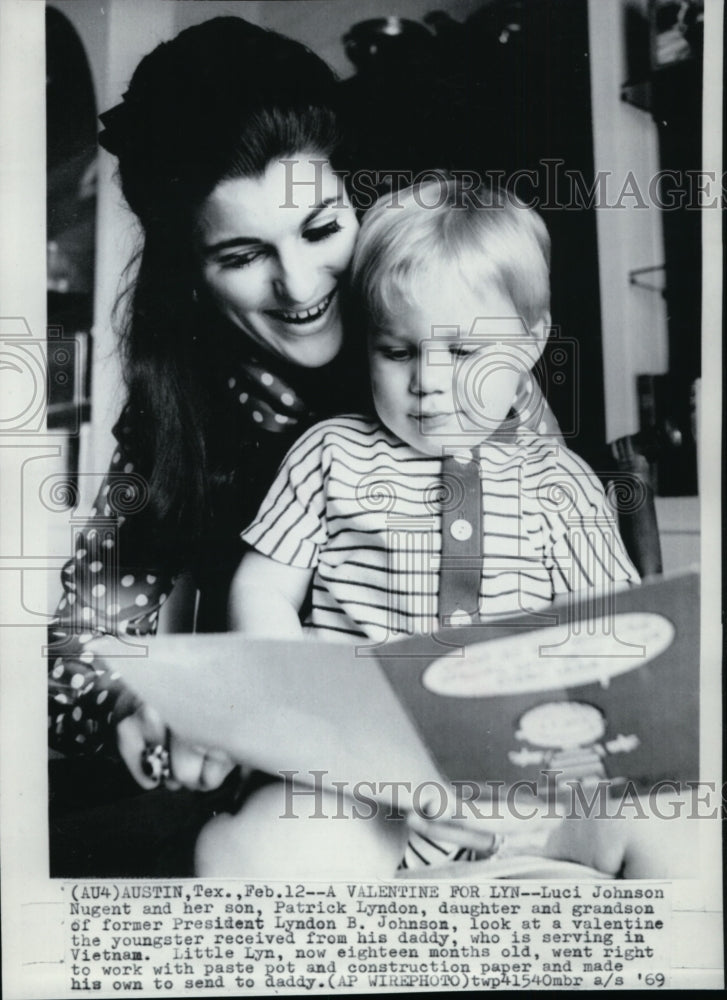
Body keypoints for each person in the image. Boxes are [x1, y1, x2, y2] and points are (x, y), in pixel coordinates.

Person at [46, 17, 561, 876]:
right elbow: (75, 665)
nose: (299, 286)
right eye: (245, 255)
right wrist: (149, 696)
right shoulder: (175, 415)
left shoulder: (461, 356)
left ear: (354, 199)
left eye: (321, 230)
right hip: (310, 806)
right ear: (191, 273)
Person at [215, 178, 639, 875]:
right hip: (360, 782)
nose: (429, 382)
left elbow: (617, 635)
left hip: (533, 789)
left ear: (530, 344)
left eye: (465, 354)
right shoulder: (330, 454)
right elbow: (261, 590)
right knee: (254, 853)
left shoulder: (560, 481)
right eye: (399, 351)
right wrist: (311, 723)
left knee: (674, 828)